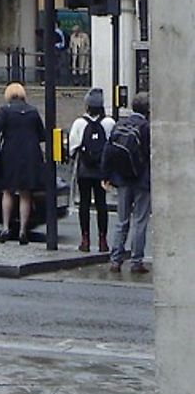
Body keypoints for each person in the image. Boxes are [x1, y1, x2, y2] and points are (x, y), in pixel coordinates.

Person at [0, 81, 44, 244]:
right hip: (30, 157)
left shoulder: (6, 110)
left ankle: (5, 227)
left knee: (8, 191)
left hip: (10, 155)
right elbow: (42, 134)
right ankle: (22, 231)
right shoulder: (33, 111)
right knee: (26, 193)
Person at [102, 92, 152, 274]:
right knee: (140, 220)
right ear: (147, 109)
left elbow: (108, 150)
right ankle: (136, 261)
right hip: (142, 180)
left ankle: (115, 260)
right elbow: (149, 154)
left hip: (122, 179)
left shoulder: (120, 123)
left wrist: (106, 175)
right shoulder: (146, 127)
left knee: (121, 220)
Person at [68, 86, 115, 252]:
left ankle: (85, 239)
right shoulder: (109, 123)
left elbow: (73, 148)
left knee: (84, 204)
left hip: (84, 170)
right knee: (102, 204)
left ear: (87, 105)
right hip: (102, 170)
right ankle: (103, 240)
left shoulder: (79, 123)